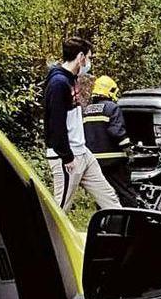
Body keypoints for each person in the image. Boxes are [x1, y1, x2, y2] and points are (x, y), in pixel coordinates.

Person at [44, 37, 122, 212]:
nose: (89, 62)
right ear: (80, 57)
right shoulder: (58, 83)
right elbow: (56, 123)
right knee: (61, 207)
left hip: (83, 152)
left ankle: (118, 232)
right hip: (67, 155)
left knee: (109, 196)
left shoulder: (71, 79)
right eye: (89, 57)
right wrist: (67, 156)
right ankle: (44, 238)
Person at [83, 75, 143, 207]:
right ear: (110, 91)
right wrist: (129, 149)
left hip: (94, 162)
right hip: (114, 160)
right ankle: (131, 219)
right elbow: (116, 132)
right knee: (126, 192)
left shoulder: (87, 110)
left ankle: (106, 219)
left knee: (103, 194)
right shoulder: (112, 108)